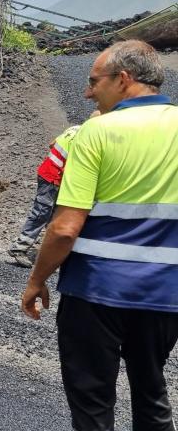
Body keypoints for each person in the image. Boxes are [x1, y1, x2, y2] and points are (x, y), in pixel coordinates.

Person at [21, 40, 178, 430]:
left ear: (123, 79)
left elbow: (64, 227)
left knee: (92, 404)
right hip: (164, 293)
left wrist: (37, 280)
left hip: (95, 292)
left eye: (94, 81)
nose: (89, 91)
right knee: (151, 392)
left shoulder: (95, 133)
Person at [8, 111, 100, 267]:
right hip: (52, 177)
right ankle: (19, 247)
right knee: (42, 212)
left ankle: (51, 251)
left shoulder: (75, 129)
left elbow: (52, 143)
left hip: (49, 173)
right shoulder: (86, 139)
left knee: (54, 216)